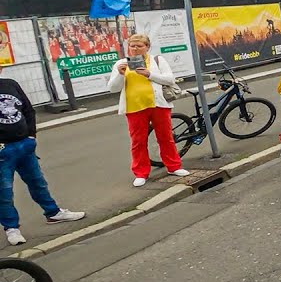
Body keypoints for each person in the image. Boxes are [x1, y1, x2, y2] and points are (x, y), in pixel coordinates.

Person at [0, 70, 85, 245]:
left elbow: (28, 110)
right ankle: (11, 228)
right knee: (4, 192)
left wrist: (31, 136)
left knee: (37, 182)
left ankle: (53, 213)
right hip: (3, 150)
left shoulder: (10, 83)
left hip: (24, 144)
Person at [105, 33, 190, 188]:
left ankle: (174, 166)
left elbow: (169, 79)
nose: (135, 49)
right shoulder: (121, 63)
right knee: (138, 142)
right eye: (132, 46)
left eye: (139, 46)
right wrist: (120, 74)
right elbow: (112, 88)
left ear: (147, 47)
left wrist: (149, 74)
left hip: (158, 105)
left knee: (166, 137)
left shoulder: (157, 60)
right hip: (134, 107)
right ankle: (141, 173)